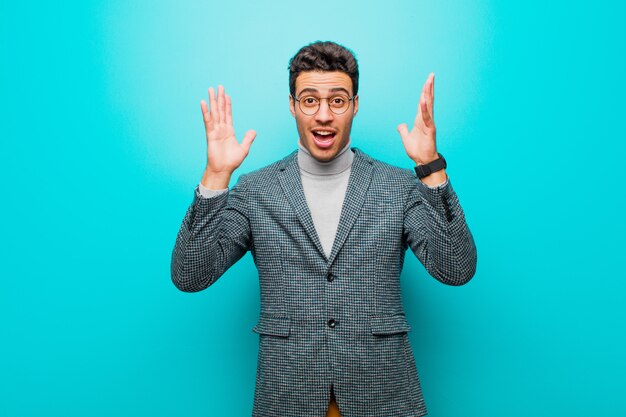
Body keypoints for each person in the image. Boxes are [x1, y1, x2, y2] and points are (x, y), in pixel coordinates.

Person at [171, 41, 477, 417]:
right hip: (287, 398)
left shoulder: (397, 186)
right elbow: (189, 275)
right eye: (309, 100)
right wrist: (216, 176)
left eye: (337, 100)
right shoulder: (255, 190)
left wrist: (431, 167)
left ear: (355, 105)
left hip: (384, 396)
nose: (323, 115)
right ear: (292, 105)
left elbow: (457, 269)